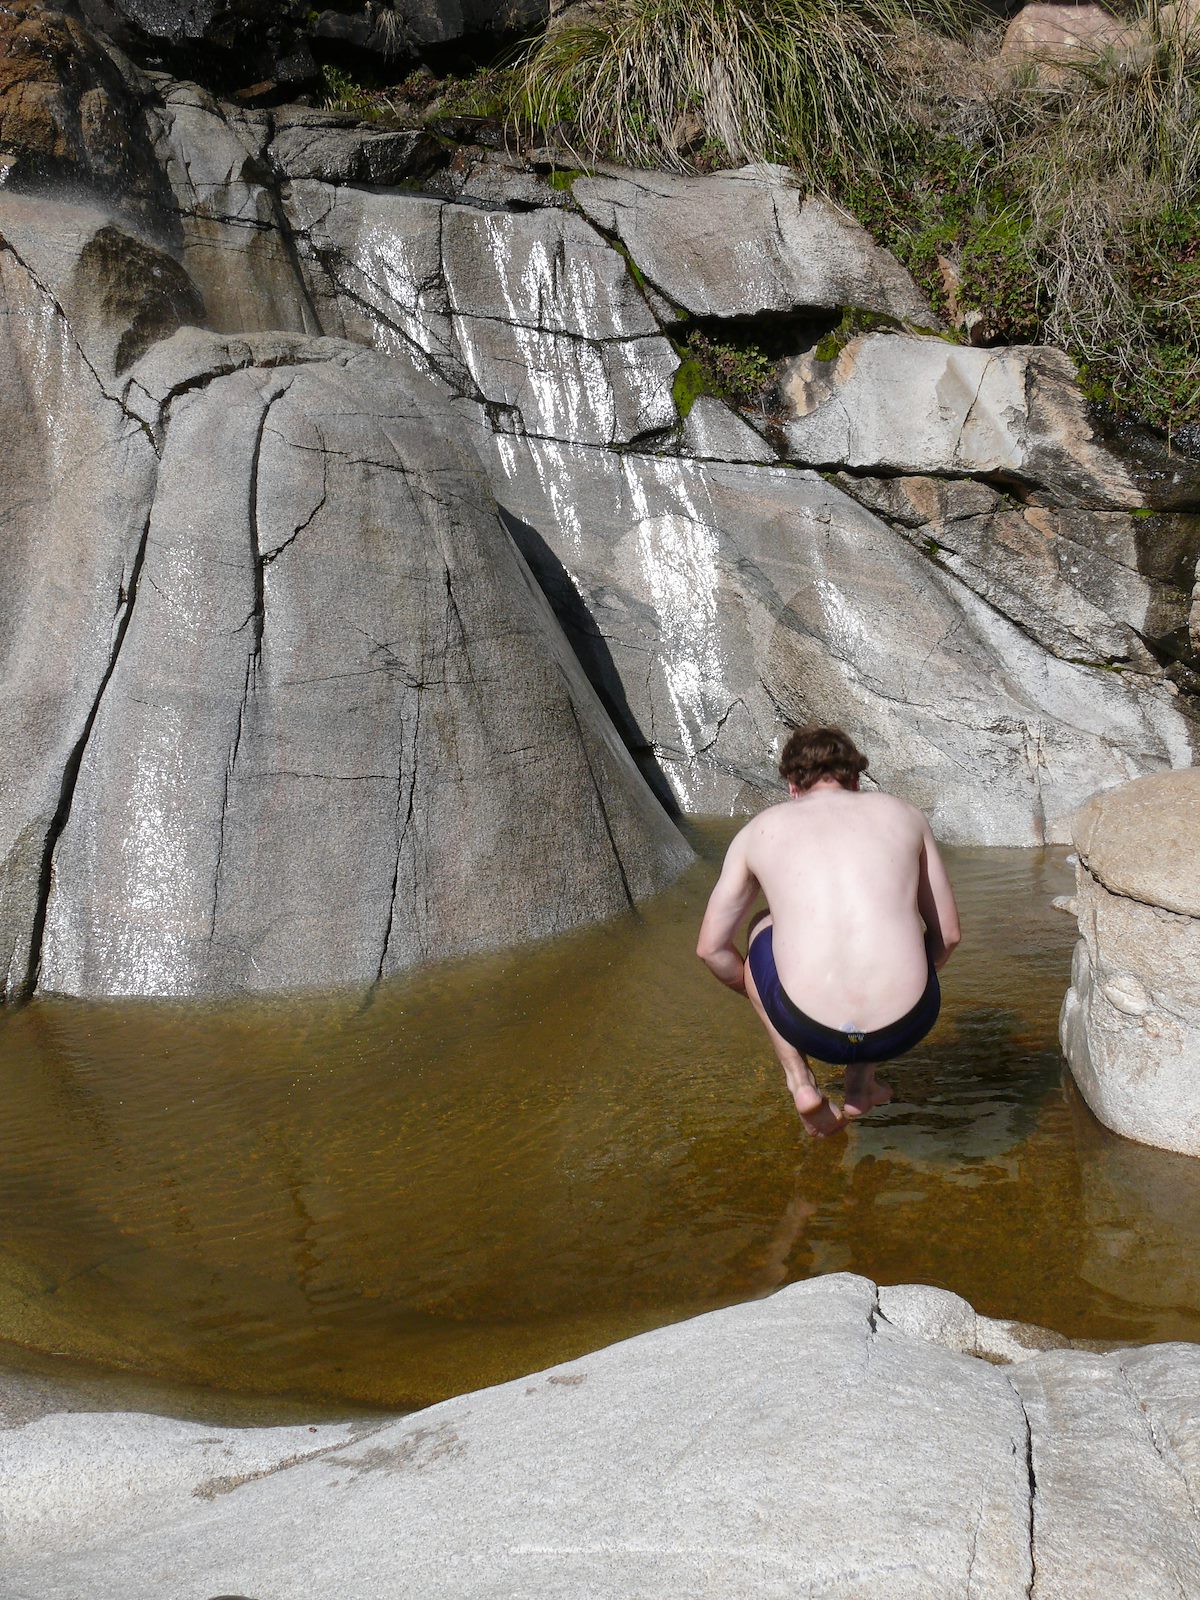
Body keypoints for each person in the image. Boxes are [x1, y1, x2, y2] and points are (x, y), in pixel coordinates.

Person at [696, 725, 960, 1138]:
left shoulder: (758, 832)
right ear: (855, 780)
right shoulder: (906, 816)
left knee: (760, 926)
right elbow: (948, 936)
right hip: (907, 1025)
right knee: (894, 927)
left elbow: (711, 950)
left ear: (791, 786)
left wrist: (757, 989)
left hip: (807, 1028)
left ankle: (800, 1082)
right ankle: (861, 1082)